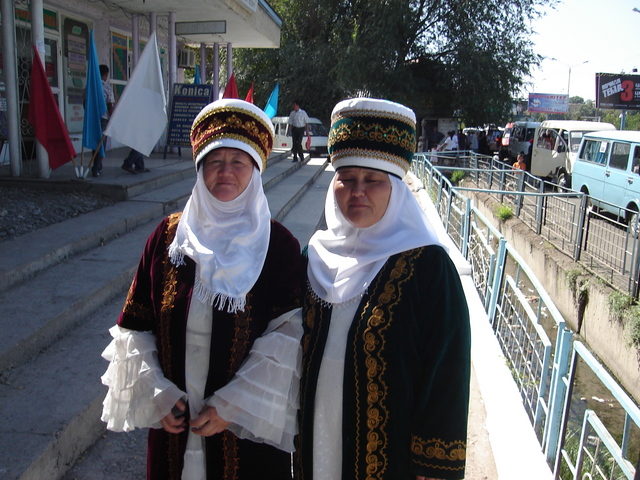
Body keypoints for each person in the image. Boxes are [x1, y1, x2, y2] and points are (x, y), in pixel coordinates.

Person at [101, 98, 304, 480]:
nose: (225, 172)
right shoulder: (167, 238)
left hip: (243, 433)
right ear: (200, 169)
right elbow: (135, 326)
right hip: (175, 427)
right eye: (214, 161)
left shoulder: (279, 247)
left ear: (256, 170)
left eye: (238, 162)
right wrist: (157, 392)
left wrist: (233, 404)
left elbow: (288, 338)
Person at [294, 98, 471, 480]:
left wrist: (434, 467)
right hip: (315, 438)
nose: (358, 191)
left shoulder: (428, 268)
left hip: (390, 458)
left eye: (372, 180)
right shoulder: (314, 257)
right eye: (346, 178)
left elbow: (447, 373)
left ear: (396, 187)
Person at [92, 64, 115, 177]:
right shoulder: (107, 88)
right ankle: (97, 168)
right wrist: (112, 118)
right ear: (105, 75)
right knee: (101, 144)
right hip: (103, 119)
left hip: (92, 118)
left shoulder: (90, 86)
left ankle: (95, 166)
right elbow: (110, 105)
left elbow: (85, 102)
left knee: (94, 143)